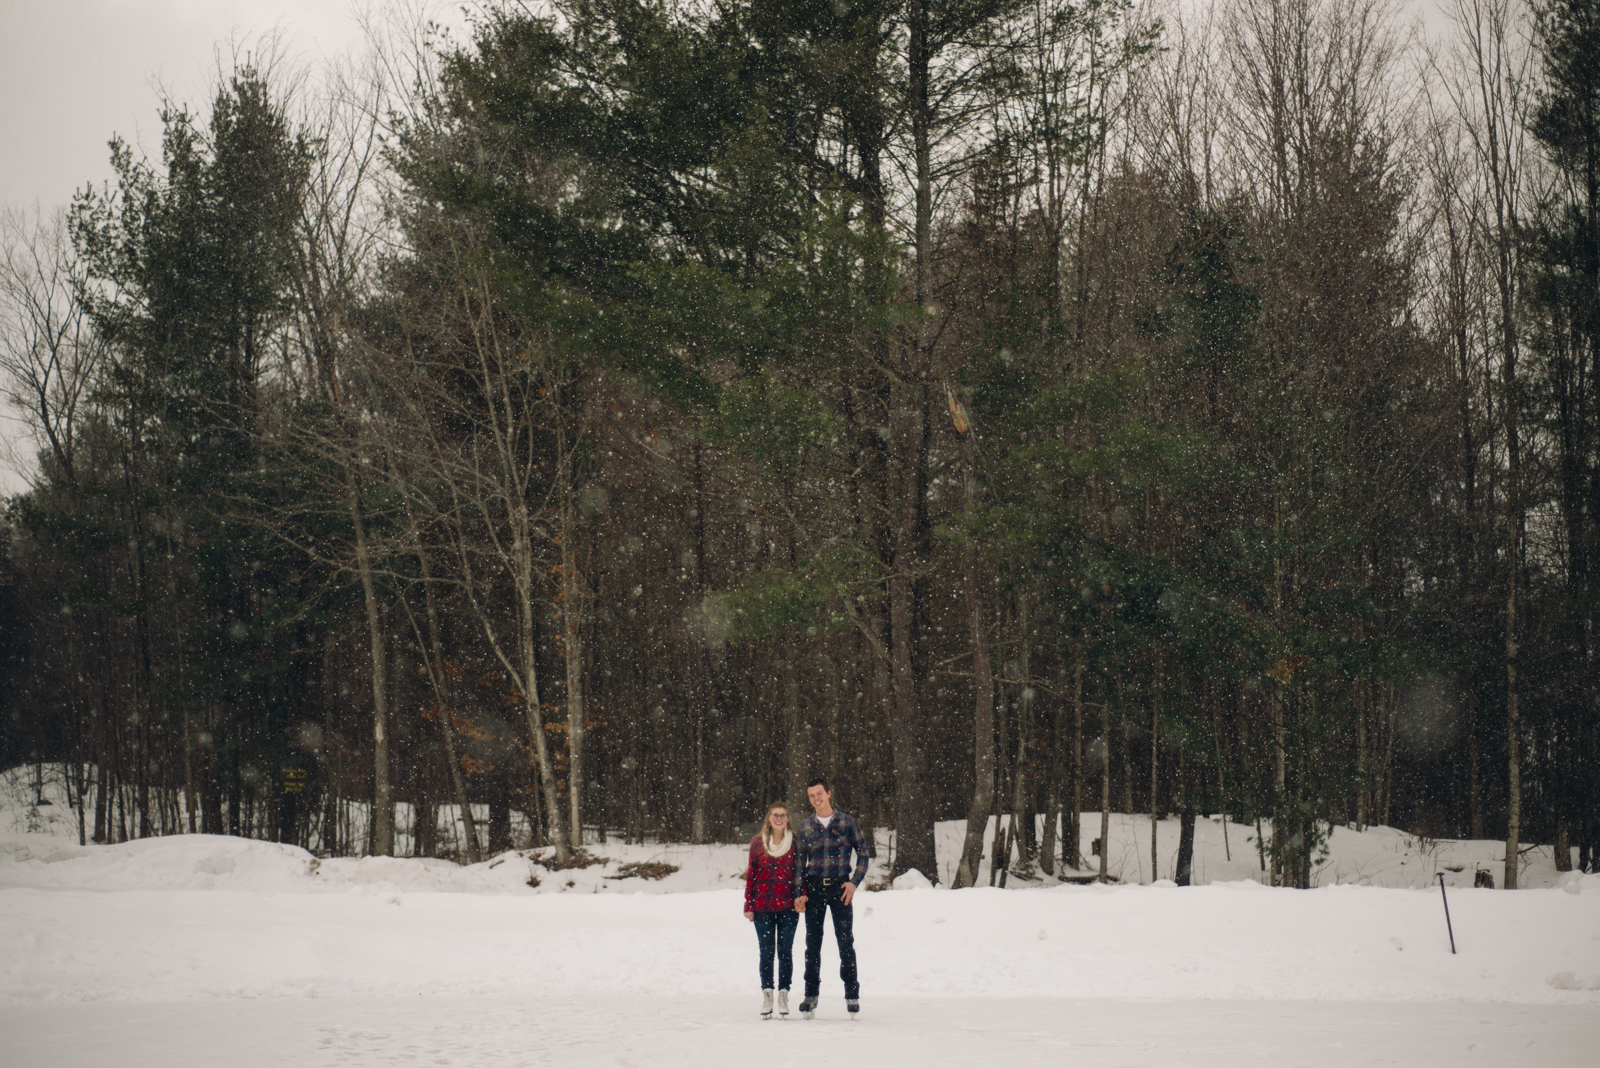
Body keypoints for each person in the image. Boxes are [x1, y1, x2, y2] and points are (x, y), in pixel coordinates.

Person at [792, 777, 868, 1019]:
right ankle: (810, 995)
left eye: (819, 793)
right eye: (811, 795)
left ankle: (852, 996)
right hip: (814, 889)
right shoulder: (805, 827)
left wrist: (853, 883)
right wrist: (800, 892)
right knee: (812, 945)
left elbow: (864, 854)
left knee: (845, 942)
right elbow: (798, 865)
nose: (816, 798)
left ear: (829, 793)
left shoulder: (847, 822)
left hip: (840, 889)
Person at [744, 800, 799, 1018]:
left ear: (787, 819)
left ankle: (784, 995)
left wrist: (800, 896)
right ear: (769, 818)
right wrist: (748, 903)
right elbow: (751, 875)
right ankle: (767, 996)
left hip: (787, 907)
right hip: (763, 907)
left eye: (783, 815)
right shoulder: (758, 843)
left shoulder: (794, 843)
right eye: (775, 815)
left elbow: (799, 873)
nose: (779, 819)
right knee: (766, 952)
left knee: (785, 952)